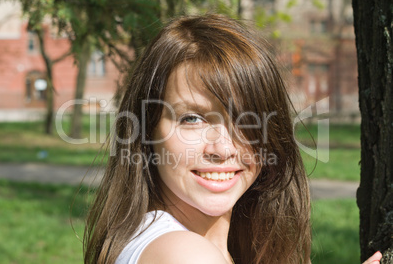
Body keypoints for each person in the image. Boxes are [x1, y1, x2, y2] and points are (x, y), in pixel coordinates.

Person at [83, 14, 382, 264]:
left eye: (246, 120)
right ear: (147, 132)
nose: (223, 148)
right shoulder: (184, 254)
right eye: (192, 118)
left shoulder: (155, 239)